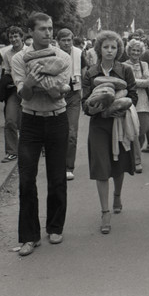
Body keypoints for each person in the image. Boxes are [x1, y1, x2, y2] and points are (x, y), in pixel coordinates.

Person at [11, 12, 71, 256]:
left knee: (57, 178)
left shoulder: (63, 57)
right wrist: (30, 84)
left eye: (51, 27)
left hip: (57, 120)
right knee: (26, 179)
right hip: (31, 122)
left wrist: (43, 85)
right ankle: (29, 236)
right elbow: (23, 95)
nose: (48, 32)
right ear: (31, 32)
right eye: (43, 29)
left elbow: (59, 93)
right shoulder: (19, 59)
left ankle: (55, 227)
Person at [81, 30, 137, 234]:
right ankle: (105, 212)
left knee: (119, 164)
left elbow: (133, 96)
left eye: (114, 47)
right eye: (106, 47)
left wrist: (120, 108)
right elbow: (84, 103)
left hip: (119, 123)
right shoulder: (90, 73)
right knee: (101, 167)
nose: (110, 50)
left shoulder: (125, 70)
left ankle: (117, 195)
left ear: (119, 49)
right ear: (99, 49)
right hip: (98, 125)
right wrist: (93, 109)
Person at [56, 28, 87, 181]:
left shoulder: (80, 53)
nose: (67, 43)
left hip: (74, 95)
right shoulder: (52, 53)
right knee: (56, 132)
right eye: (63, 40)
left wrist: (86, 96)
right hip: (55, 95)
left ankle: (69, 166)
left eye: (69, 40)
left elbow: (85, 73)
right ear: (58, 41)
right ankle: (56, 164)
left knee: (71, 133)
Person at [123, 39, 149, 173]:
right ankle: (136, 160)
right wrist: (137, 82)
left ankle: (136, 152)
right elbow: (123, 83)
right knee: (133, 131)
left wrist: (132, 81)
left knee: (143, 129)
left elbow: (148, 82)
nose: (135, 53)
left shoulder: (144, 64)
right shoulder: (123, 65)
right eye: (133, 50)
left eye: (138, 50)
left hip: (143, 102)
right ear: (129, 51)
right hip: (129, 101)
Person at [0, 26, 24, 163]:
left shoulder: (30, 51)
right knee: (10, 120)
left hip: (31, 90)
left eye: (16, 36)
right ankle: (11, 151)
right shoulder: (7, 54)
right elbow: (7, 71)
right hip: (14, 90)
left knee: (33, 120)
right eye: (11, 37)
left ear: (21, 37)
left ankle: (41, 146)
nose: (14, 39)